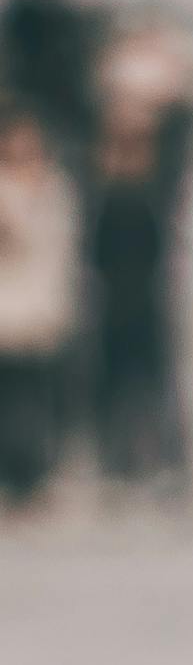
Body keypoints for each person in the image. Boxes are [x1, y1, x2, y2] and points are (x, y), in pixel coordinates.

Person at [82, 26, 193, 504]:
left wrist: (165, 82)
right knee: (111, 387)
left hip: (150, 300)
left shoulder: (163, 181)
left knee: (156, 386)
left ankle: (167, 467)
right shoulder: (92, 183)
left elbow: (188, 116)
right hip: (107, 301)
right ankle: (117, 466)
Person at [0, 104, 73, 507]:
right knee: (10, 398)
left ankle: (36, 474)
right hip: (6, 306)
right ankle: (13, 477)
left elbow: (59, 249)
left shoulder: (53, 188)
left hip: (39, 306)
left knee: (38, 398)